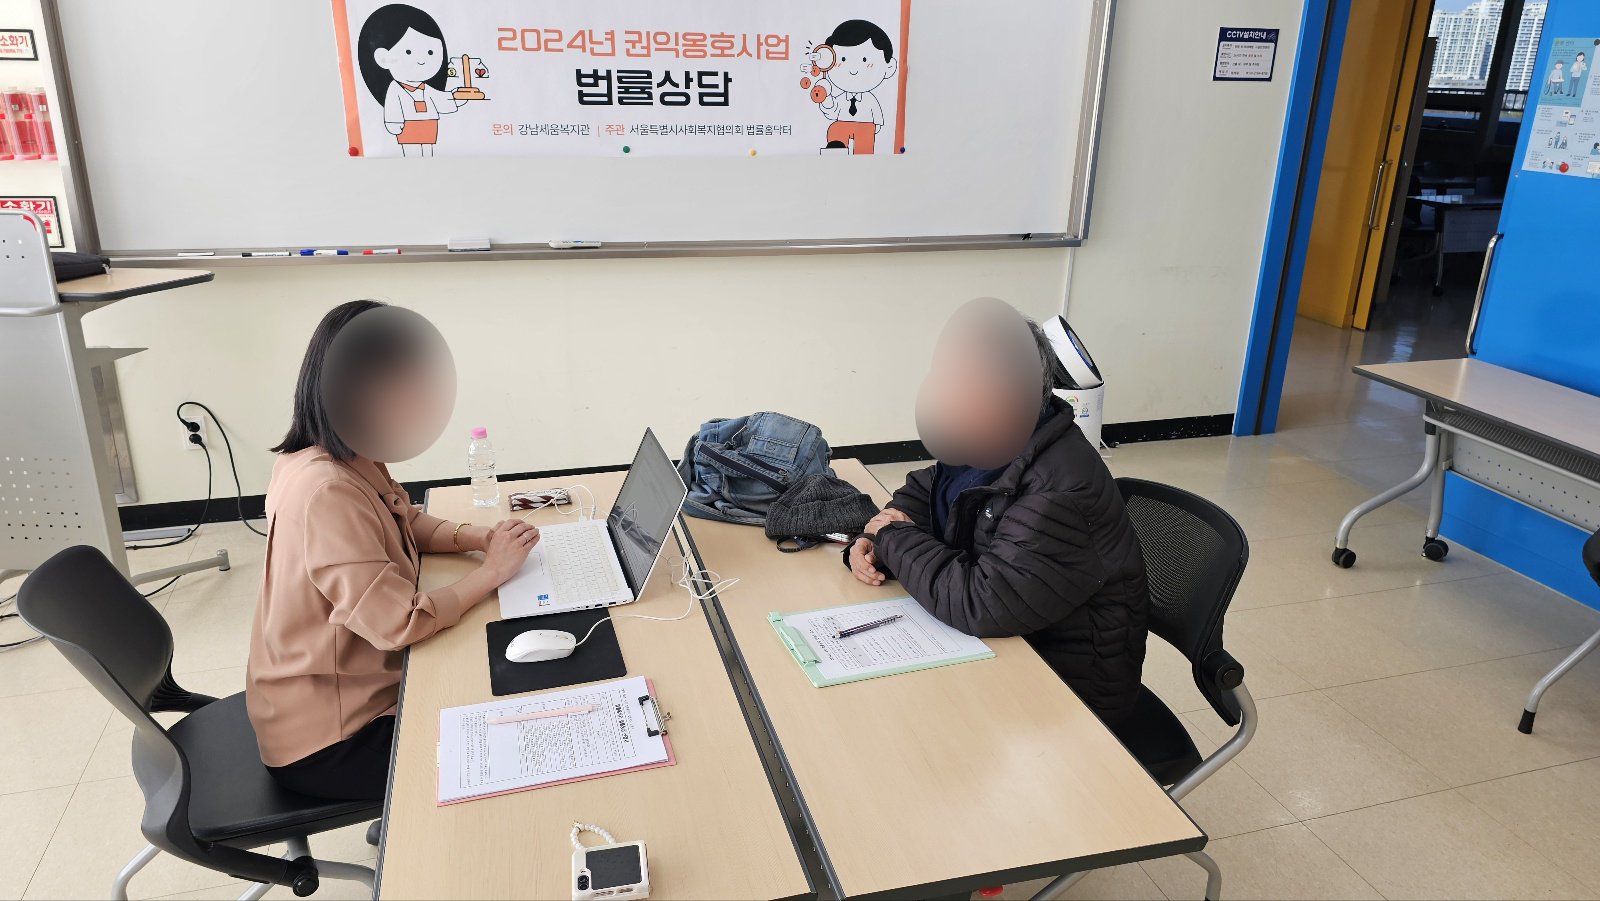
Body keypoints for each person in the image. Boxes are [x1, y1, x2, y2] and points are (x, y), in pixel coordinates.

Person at [246, 300, 540, 800]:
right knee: (508, 732)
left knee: (490, 667)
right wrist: (491, 573)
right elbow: (400, 622)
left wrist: (478, 538)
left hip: (333, 695)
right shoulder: (327, 491)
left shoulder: (340, 455)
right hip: (331, 740)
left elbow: (403, 518)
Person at [844, 298, 1150, 726]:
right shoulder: (995, 436)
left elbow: (983, 602)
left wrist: (892, 538)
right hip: (1009, 644)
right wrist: (876, 535)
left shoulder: (1061, 490)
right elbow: (928, 490)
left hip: (1068, 690)